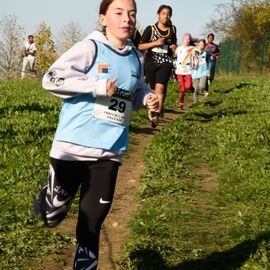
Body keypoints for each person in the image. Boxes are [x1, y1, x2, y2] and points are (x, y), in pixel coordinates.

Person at [33, 0, 159, 269]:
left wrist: (147, 98)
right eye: (119, 13)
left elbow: (134, 92)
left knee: (91, 222)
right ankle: (47, 198)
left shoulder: (136, 57)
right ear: (103, 19)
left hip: (109, 153)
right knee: (52, 217)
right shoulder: (89, 48)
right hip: (72, 147)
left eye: (132, 14)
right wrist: (96, 86)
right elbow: (51, 78)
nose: (127, 19)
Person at [138, 5, 177, 126]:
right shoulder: (150, 29)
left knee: (160, 88)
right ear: (158, 14)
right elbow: (140, 46)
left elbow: (173, 44)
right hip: (151, 63)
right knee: (153, 90)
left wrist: (173, 48)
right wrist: (155, 43)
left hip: (165, 62)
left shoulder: (172, 29)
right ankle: (154, 109)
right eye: (163, 13)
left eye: (168, 14)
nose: (166, 16)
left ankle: (156, 115)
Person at [175, 33, 198, 112]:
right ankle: (180, 104)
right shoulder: (178, 49)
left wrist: (196, 64)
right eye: (185, 39)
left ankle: (191, 87)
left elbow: (196, 58)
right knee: (182, 89)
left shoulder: (192, 48)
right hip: (180, 70)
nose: (187, 41)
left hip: (188, 70)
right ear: (183, 40)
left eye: (188, 39)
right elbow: (175, 57)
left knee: (187, 86)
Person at [192, 39, 211, 103]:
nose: (201, 46)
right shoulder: (193, 52)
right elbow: (190, 61)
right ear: (198, 44)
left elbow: (209, 62)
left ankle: (203, 91)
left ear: (205, 45)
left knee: (202, 86)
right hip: (195, 72)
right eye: (200, 44)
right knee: (195, 89)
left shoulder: (206, 53)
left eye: (203, 45)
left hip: (203, 72)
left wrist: (208, 71)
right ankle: (195, 102)